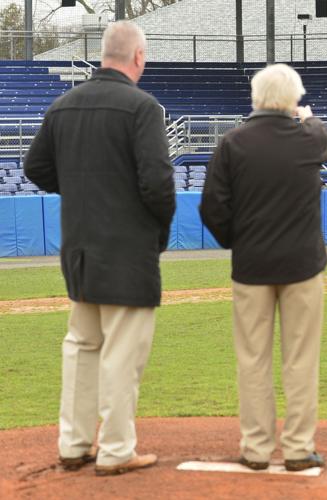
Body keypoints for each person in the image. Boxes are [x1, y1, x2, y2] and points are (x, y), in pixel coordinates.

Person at [24, 21, 175, 476]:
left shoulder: (63, 105)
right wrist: (157, 231)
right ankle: (115, 450)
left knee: (81, 347)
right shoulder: (142, 107)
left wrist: (77, 190)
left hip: (79, 248)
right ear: (138, 58)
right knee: (121, 354)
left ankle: (73, 444)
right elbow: (158, 183)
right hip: (128, 251)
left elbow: (35, 167)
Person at [200, 63, 327, 472]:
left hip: (252, 266)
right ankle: (297, 447)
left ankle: (256, 448)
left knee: (252, 360)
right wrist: (306, 116)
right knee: (300, 360)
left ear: (255, 97)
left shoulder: (233, 142)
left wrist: (237, 242)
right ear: (292, 99)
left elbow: (212, 208)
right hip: (302, 266)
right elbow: (323, 137)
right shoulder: (308, 139)